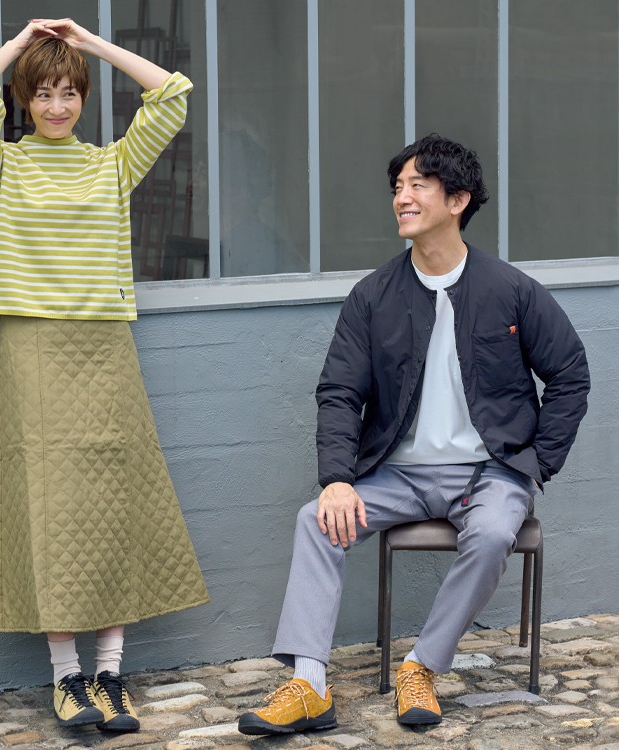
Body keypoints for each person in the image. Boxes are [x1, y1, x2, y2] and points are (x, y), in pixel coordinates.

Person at [238, 134, 590, 734]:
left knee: (493, 532)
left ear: (458, 199)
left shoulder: (510, 290)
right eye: (398, 187)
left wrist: (536, 463)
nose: (402, 197)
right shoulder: (373, 296)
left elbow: (570, 374)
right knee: (315, 521)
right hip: (396, 474)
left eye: (418, 185)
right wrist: (337, 479)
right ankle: (310, 686)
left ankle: (421, 665)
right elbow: (339, 392)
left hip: (488, 473)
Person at [0, 18, 208, 733]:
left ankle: (111, 673)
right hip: (31, 346)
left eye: (68, 93)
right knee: (49, 507)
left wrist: (90, 45)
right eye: (43, 93)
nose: (57, 106)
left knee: (113, 502)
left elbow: (173, 95)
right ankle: (66, 678)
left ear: (84, 99)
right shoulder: (2, 166)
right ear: (25, 100)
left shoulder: (110, 165)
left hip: (104, 347)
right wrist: (22, 44)